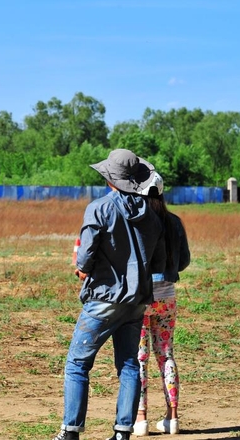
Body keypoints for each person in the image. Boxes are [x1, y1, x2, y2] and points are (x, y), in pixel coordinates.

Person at [53, 149, 167, 440]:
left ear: (110, 178)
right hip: (137, 302)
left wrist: (83, 268)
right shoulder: (153, 217)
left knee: (77, 363)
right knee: (129, 364)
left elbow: (84, 259)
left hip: (104, 298)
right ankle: (122, 432)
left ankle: (70, 432)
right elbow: (158, 263)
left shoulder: (99, 208)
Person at [132, 173, 191, 436]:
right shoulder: (174, 222)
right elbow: (184, 261)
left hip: (141, 297)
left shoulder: (138, 223)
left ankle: (141, 418)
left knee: (139, 358)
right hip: (167, 296)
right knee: (165, 354)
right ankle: (173, 417)